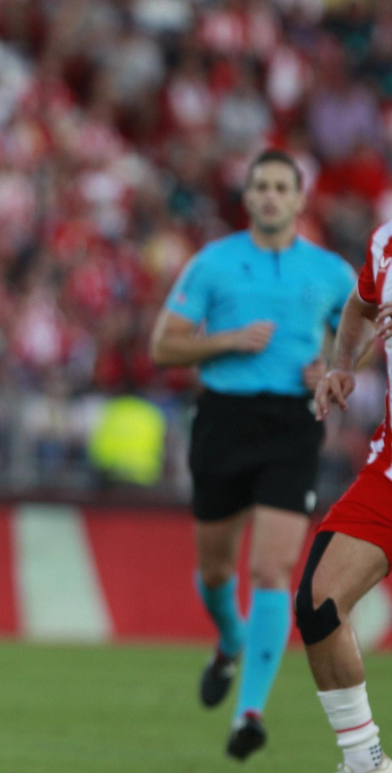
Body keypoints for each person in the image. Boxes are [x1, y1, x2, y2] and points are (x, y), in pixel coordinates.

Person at [149, 148, 357, 760]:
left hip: (292, 424)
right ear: (247, 198)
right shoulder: (214, 263)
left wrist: (337, 367)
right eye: (260, 186)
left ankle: (250, 712)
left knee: (271, 570)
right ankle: (231, 637)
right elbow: (164, 347)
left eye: (280, 187)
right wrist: (228, 340)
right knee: (216, 570)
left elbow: (367, 327)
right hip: (224, 418)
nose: (269, 196)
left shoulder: (330, 272)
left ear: (299, 199)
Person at [304, 218, 392, 773]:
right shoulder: (386, 240)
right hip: (390, 469)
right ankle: (365, 762)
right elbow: (360, 305)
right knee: (320, 604)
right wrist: (341, 366)